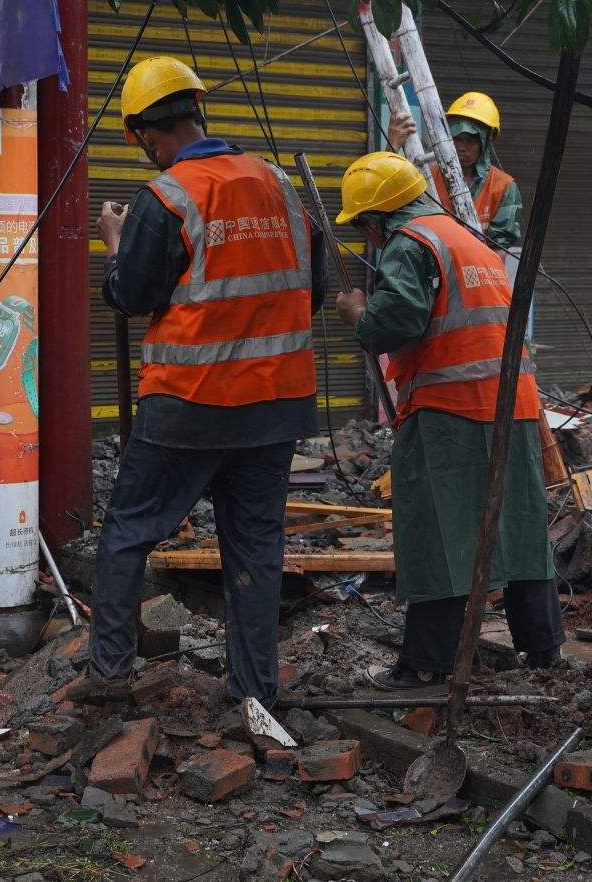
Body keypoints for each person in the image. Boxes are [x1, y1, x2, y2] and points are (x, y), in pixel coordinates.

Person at [84, 55, 326, 706]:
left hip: (190, 404)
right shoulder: (278, 183)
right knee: (254, 551)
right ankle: (255, 694)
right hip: (276, 405)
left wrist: (113, 241)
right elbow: (316, 289)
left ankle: (108, 675)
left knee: (129, 529)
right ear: (198, 110)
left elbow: (131, 294)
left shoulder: (165, 198)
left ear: (142, 133)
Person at [332, 152, 562, 690]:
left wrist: (357, 316)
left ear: (374, 219)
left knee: (438, 531)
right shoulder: (466, 239)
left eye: (363, 228)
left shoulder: (410, 244)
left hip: (449, 410)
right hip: (514, 406)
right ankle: (545, 649)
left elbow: (397, 323)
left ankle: (425, 663)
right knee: (521, 529)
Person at [387, 91, 522, 249]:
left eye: (470, 140)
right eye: (457, 138)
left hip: (478, 269)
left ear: (484, 142)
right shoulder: (427, 176)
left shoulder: (503, 187)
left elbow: (499, 251)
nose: (461, 148)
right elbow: (387, 199)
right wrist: (392, 146)